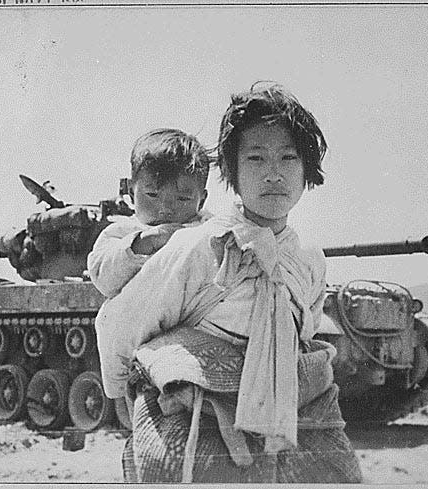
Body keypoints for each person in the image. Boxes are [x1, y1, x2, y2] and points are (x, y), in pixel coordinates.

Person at [95, 83, 362, 483]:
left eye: (288, 158)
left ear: (307, 172)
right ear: (232, 172)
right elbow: (121, 321)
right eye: (255, 158)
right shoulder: (200, 246)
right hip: (198, 420)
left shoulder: (309, 262)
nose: (273, 174)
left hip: (292, 419)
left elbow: (304, 332)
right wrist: (118, 393)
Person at [87, 128, 212, 423]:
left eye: (182, 198)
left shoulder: (207, 228)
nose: (166, 208)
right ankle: (121, 397)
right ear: (132, 191)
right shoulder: (122, 232)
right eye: (153, 194)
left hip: (191, 341)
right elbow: (102, 275)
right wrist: (142, 244)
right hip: (137, 348)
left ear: (202, 199)